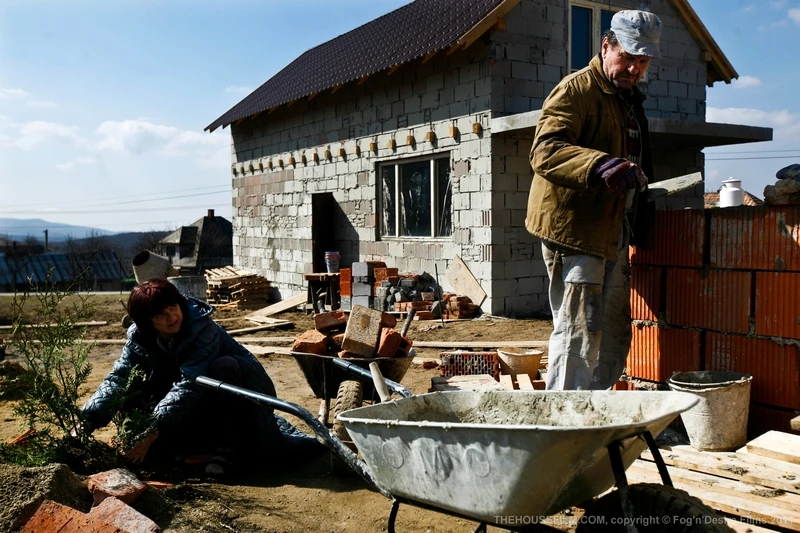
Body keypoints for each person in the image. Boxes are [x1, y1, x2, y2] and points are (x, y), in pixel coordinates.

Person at [526, 10, 661, 391]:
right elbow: (545, 151)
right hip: (575, 232)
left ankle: (594, 412)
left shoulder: (630, 100)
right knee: (578, 332)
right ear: (606, 47)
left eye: (643, 61)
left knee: (614, 331)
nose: (635, 69)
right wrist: (599, 163)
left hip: (612, 229)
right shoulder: (577, 90)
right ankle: (564, 421)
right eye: (628, 57)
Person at [81, 278, 317, 475]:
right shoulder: (139, 338)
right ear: (147, 323)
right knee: (134, 384)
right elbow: (118, 377)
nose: (171, 316)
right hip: (192, 404)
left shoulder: (202, 330)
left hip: (237, 398)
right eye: (160, 315)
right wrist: (86, 421)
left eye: (173, 306)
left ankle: (229, 450)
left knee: (222, 366)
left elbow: (189, 385)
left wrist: (151, 431)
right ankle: (191, 448)